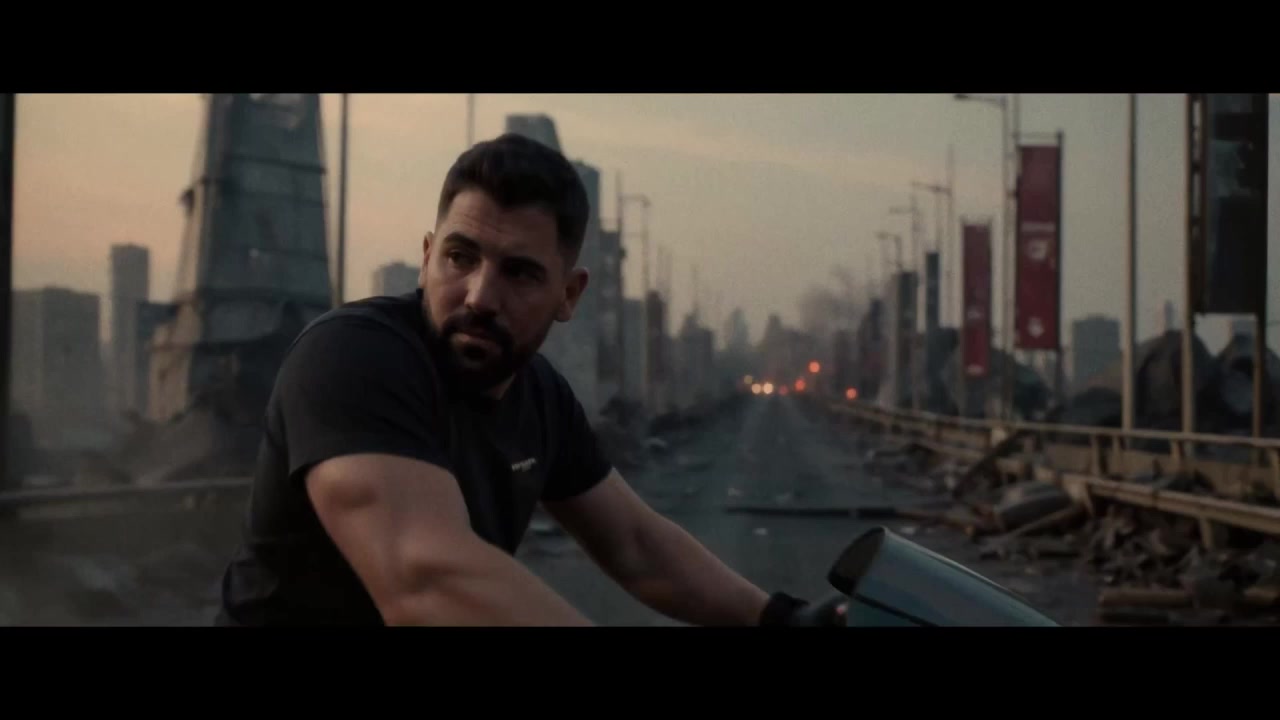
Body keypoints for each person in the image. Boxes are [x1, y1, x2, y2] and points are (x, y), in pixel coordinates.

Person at [215, 133, 843, 627]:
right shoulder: (354, 357)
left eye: (519, 273)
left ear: (569, 295)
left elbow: (635, 544)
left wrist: (782, 618)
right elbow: (425, 579)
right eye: (460, 257)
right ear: (427, 257)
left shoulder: (539, 395)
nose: (480, 296)